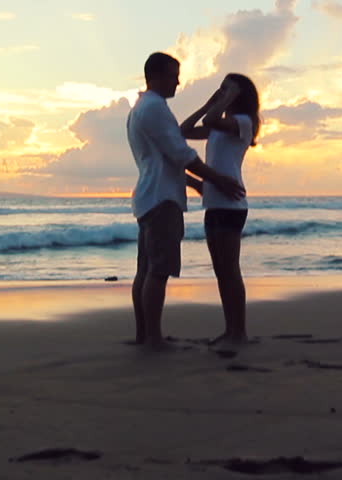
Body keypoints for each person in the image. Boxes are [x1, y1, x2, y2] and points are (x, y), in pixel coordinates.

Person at [128, 52, 245, 350]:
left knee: (146, 269)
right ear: (155, 76)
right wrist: (215, 180)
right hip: (161, 197)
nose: (178, 81)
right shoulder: (155, 109)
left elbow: (170, 156)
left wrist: (196, 183)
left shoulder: (142, 107)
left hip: (149, 194)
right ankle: (152, 338)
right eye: (173, 75)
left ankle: (145, 335)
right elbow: (182, 154)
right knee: (158, 270)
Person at [180, 73, 260, 345]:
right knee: (221, 271)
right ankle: (231, 329)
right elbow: (185, 130)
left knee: (230, 269)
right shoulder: (220, 127)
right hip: (214, 202)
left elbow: (212, 121)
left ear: (240, 94)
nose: (222, 92)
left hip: (231, 204)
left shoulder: (244, 122)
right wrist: (208, 102)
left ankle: (239, 331)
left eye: (228, 88)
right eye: (222, 88)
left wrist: (224, 100)